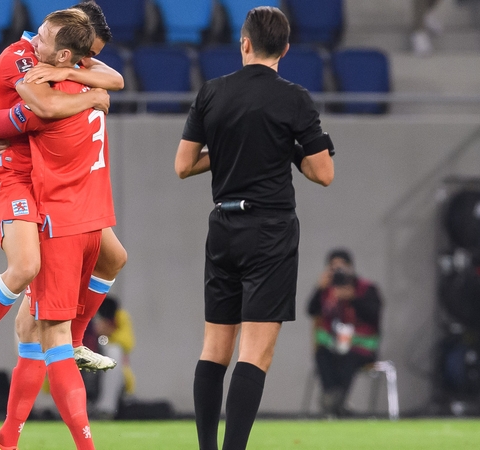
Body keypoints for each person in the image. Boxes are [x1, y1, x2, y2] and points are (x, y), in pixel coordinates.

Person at [0, 0, 127, 403]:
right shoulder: (23, 60)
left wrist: (71, 74)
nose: (87, 62)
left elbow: (115, 79)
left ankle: (72, 346)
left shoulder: (63, 63)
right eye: (84, 55)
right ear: (68, 44)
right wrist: (91, 98)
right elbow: (34, 111)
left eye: (89, 57)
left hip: (52, 183)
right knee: (26, 269)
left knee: (112, 257)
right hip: (14, 178)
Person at [173, 6, 334, 450]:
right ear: (285, 49)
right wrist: (285, 149)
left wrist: (227, 153)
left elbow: (183, 165)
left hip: (223, 226)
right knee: (255, 351)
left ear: (244, 43)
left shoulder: (211, 92)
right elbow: (323, 173)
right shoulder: (294, 98)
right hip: (270, 230)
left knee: (214, 348)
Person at [307, 248, 383, 417]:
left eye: (342, 267)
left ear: (351, 268)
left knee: (348, 358)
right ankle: (333, 399)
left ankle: (336, 403)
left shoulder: (366, 289)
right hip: (334, 346)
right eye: (333, 268)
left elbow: (374, 315)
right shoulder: (326, 290)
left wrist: (353, 299)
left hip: (361, 349)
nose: (338, 272)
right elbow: (311, 311)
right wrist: (319, 289)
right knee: (322, 354)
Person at [85, 296, 136, 419]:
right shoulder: (80, 312)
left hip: (106, 369)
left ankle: (105, 410)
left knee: (114, 351)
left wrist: (109, 333)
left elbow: (128, 343)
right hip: (83, 362)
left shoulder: (118, 315)